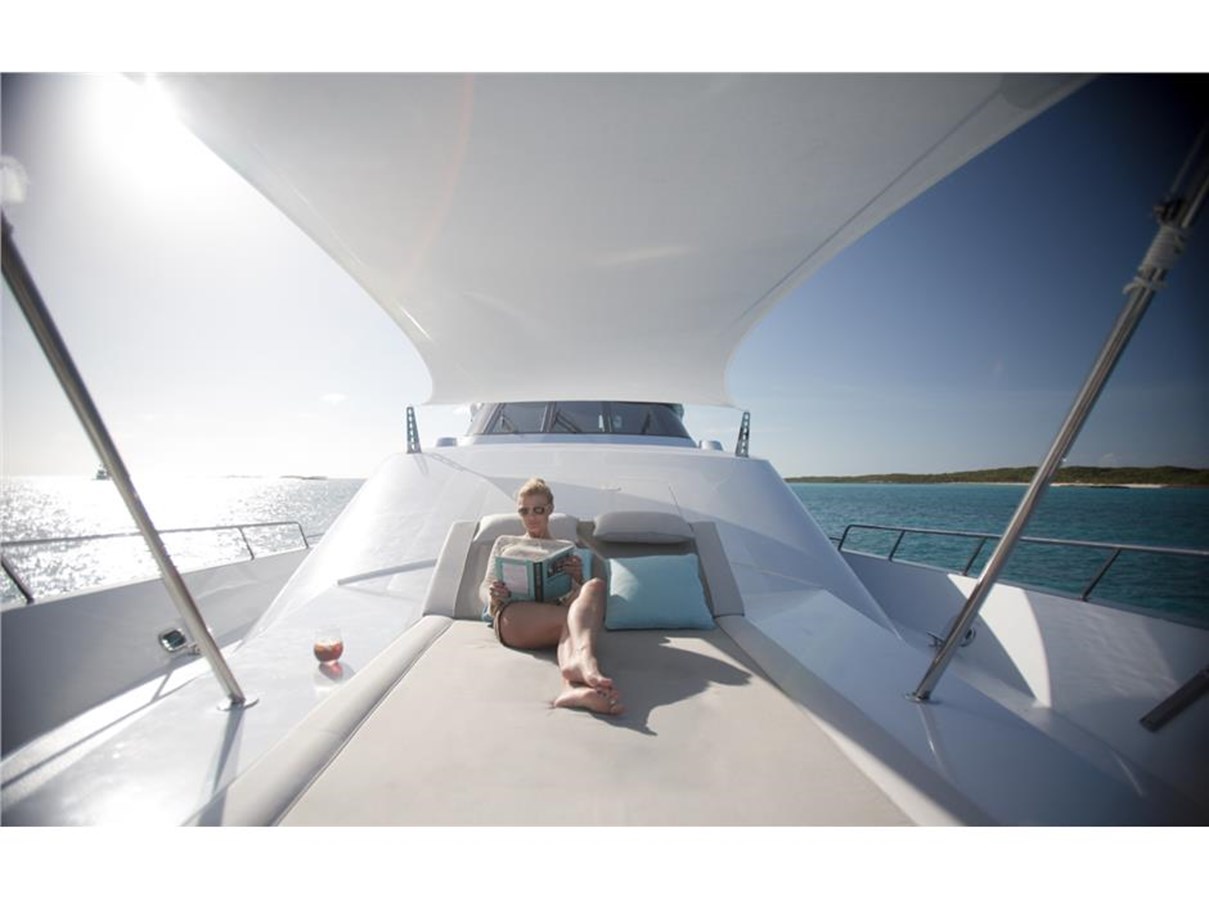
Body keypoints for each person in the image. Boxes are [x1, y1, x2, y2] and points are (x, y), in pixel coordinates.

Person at [483, 477, 622, 715]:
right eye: (524, 511)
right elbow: (484, 586)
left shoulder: (564, 547)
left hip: (556, 615)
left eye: (538, 510)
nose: (531, 516)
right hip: (515, 617)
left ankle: (572, 689)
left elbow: (583, 602)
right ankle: (586, 662)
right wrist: (493, 594)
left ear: (550, 509)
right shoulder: (505, 542)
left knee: (594, 586)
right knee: (574, 621)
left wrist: (577, 577)